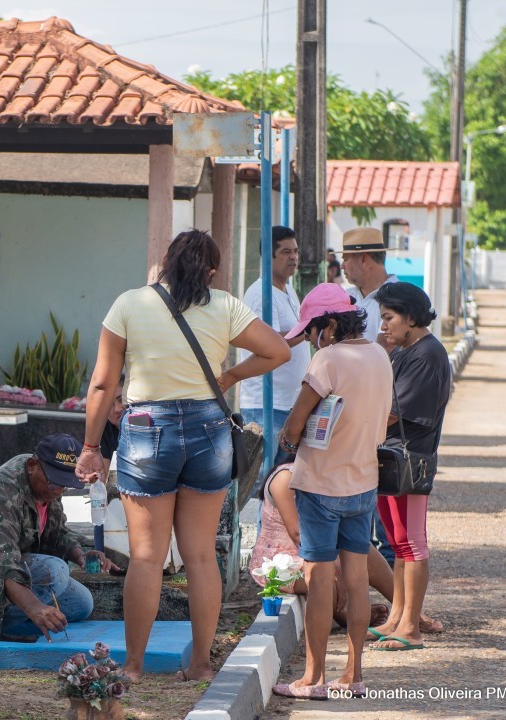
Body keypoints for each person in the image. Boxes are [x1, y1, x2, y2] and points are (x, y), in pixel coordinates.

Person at [75, 229, 290, 682]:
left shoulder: (130, 303)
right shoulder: (225, 306)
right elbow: (277, 350)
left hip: (145, 429)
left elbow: (103, 383)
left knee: (147, 556)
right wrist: (230, 376)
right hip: (209, 427)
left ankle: (133, 666)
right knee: (201, 556)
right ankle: (201, 665)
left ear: (167, 261)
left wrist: (92, 448)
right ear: (211, 271)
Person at [271, 283, 392, 700]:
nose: (310, 339)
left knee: (319, 578)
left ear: (330, 325)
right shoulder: (379, 354)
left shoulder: (328, 358)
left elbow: (294, 424)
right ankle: (353, 676)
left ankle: (313, 678)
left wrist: (289, 438)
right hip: (364, 483)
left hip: (321, 485)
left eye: (312, 330)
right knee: (357, 580)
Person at [0, 433, 119, 641]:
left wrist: (80, 555)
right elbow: (3, 564)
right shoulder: (2, 492)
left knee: (81, 603)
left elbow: (56, 533)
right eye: (55, 482)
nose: (59, 491)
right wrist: (35, 609)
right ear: (32, 466)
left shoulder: (46, 485)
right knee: (55, 570)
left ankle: (10, 624)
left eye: (65, 484)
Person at [249, 456, 443, 632]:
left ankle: (409, 613)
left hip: (322, 551)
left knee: (363, 549)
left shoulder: (328, 475)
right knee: (325, 584)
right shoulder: (286, 477)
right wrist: (332, 567)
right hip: (282, 563)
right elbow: (298, 534)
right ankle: (349, 615)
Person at [368, 283, 452, 653]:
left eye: (389, 318)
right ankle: (398, 617)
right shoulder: (406, 351)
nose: (383, 326)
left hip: (411, 462)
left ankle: (411, 626)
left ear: (411, 318)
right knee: (399, 543)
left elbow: (390, 412)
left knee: (412, 543)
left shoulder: (427, 354)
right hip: (393, 459)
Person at [338, 227, 397, 566]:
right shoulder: (350, 298)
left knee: (386, 508)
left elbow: (396, 352)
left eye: (347, 259)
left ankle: (394, 587)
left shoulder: (398, 298)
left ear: (364, 259)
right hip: (353, 416)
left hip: (384, 414)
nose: (343, 266)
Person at [239, 226, 311, 471]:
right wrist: (308, 330)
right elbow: (269, 343)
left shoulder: (288, 290)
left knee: (282, 478)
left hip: (288, 403)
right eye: (286, 252)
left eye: (296, 251)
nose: (294, 257)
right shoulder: (261, 294)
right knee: (264, 478)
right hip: (265, 405)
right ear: (268, 256)